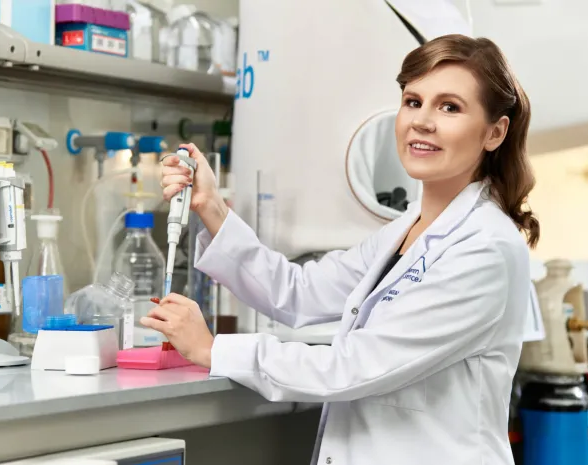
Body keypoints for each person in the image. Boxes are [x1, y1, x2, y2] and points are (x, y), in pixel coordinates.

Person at [144, 34, 539, 465]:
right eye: (412, 101)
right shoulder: (407, 230)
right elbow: (298, 291)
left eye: (449, 107)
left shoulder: (486, 249)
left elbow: (354, 367)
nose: (422, 121)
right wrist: (211, 207)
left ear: (495, 132)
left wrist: (212, 348)